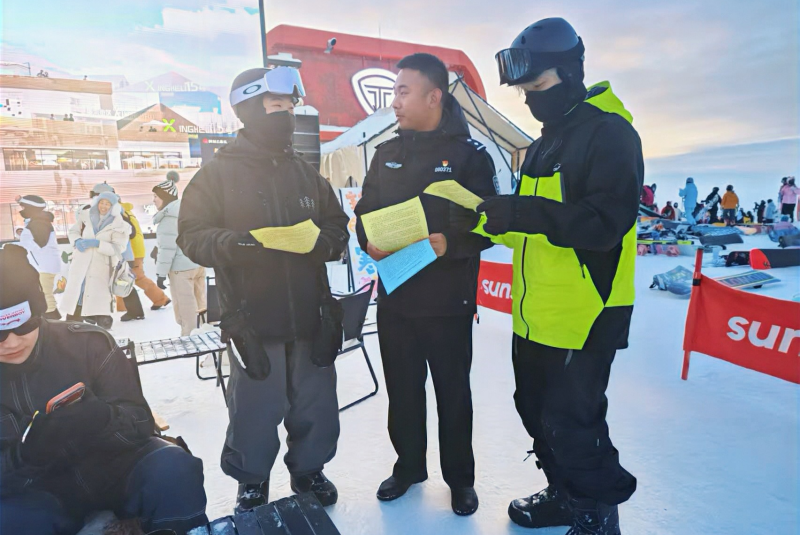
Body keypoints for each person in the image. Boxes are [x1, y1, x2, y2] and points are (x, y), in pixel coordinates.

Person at [478, 18, 639, 534]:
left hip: (585, 311)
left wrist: (521, 212)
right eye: (524, 91)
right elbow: (534, 228)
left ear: (570, 73)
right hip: (535, 313)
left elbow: (604, 225)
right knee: (534, 410)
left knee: (574, 423)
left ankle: (596, 517)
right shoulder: (546, 142)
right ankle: (565, 494)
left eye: (538, 85)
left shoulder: (610, 133)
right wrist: (481, 221)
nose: (531, 99)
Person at [177, 66, 349, 513]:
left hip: (311, 314)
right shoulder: (216, 174)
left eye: (290, 107)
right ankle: (252, 479)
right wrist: (236, 244)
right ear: (249, 109)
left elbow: (337, 225)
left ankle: (309, 470)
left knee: (314, 404)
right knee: (254, 408)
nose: (286, 115)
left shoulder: (305, 173)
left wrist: (326, 243)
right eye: (276, 106)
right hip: (252, 317)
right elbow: (191, 235)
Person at [353, 53, 496, 516]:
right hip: (396, 299)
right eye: (394, 92)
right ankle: (409, 467)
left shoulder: (471, 157)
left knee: (453, 394)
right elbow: (364, 211)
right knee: (402, 391)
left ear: (434, 97)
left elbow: (491, 224)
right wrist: (368, 239)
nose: (394, 102)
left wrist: (451, 243)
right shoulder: (386, 154)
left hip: (448, 302)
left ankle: (460, 480)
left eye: (403, 91)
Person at [0, 244, 208, 535]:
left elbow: (140, 422)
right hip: (37, 491)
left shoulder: (88, 344)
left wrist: (103, 417)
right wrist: (25, 455)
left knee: (173, 467)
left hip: (114, 468)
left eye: (23, 325)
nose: (11, 342)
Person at [62, 192, 129, 329]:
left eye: (108, 204)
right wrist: (77, 240)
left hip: (102, 266)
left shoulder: (120, 224)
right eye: (101, 202)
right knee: (79, 291)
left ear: (113, 206)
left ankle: (103, 323)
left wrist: (98, 244)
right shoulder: (85, 216)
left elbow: (119, 248)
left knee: (99, 296)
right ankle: (73, 321)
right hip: (81, 261)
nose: (103, 206)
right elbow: (73, 232)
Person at [152, 172, 206, 336]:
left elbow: (167, 249)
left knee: (186, 309)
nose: (153, 200)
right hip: (197, 264)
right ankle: (206, 335)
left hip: (181, 270)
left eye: (156, 196)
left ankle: (188, 338)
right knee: (202, 305)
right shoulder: (188, 211)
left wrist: (161, 274)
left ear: (165, 198)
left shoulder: (169, 218)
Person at [16, 195, 62, 320]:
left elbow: (38, 244)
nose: (22, 210)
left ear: (31, 208)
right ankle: (52, 317)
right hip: (42, 264)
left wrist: (21, 245)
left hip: (44, 265)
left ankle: (52, 319)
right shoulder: (37, 221)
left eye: (24, 207)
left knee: (45, 294)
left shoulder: (39, 223)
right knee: (45, 293)